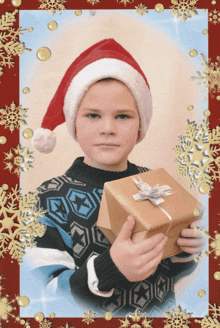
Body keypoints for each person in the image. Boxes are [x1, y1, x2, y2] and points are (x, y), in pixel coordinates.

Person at [27, 39, 205, 316]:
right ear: (74, 121)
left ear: (140, 126)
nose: (108, 128)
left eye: (123, 116)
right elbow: (41, 295)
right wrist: (109, 269)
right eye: (93, 115)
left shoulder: (154, 182)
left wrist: (183, 250)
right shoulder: (47, 198)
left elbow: (170, 272)